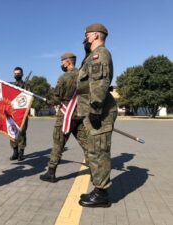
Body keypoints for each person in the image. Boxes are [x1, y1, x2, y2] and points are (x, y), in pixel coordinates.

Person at [76, 23, 118, 207]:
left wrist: (95, 109)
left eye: (86, 35)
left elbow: (99, 83)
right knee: (94, 151)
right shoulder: (91, 56)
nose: (85, 38)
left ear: (94, 36)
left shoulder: (99, 54)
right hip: (92, 110)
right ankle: (99, 189)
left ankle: (101, 195)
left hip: (98, 112)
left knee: (99, 152)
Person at [39, 52, 80, 182]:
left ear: (68, 61)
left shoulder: (63, 78)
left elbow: (57, 98)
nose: (61, 64)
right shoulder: (84, 75)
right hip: (80, 113)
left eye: (62, 62)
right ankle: (96, 171)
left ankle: (51, 172)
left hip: (65, 115)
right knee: (86, 144)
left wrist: (49, 101)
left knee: (58, 143)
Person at [9, 67, 29, 161]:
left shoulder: (26, 85)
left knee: (22, 133)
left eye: (19, 73)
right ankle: (15, 152)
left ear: (22, 74)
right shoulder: (11, 85)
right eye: (15, 73)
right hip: (13, 113)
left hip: (22, 113)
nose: (17, 75)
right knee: (12, 131)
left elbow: (29, 97)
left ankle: (21, 153)